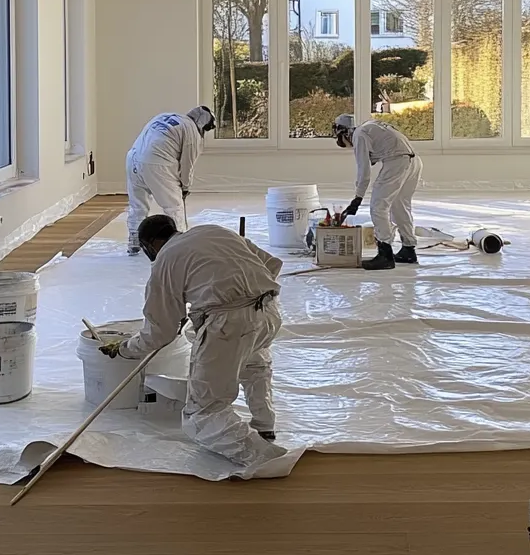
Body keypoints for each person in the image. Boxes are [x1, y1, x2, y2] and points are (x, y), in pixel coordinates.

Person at [101, 215, 287, 467]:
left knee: (204, 411)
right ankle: (264, 425)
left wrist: (125, 349)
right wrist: (235, 293)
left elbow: (159, 332)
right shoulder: (213, 231)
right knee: (254, 364)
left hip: (228, 327)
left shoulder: (165, 260)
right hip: (268, 311)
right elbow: (272, 263)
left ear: (149, 245)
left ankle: (264, 460)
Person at [333, 114, 422, 270]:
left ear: (344, 132)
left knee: (378, 207)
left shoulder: (359, 135)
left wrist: (357, 198)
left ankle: (385, 254)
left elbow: (364, 171)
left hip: (397, 162)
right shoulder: (370, 126)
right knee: (399, 206)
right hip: (413, 162)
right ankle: (408, 250)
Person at [126, 107, 215, 254]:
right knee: (174, 207)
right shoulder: (192, 131)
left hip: (133, 159)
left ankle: (134, 242)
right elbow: (187, 165)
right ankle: (179, 246)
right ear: (203, 125)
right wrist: (185, 187)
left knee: (138, 206)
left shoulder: (166, 116)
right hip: (157, 163)